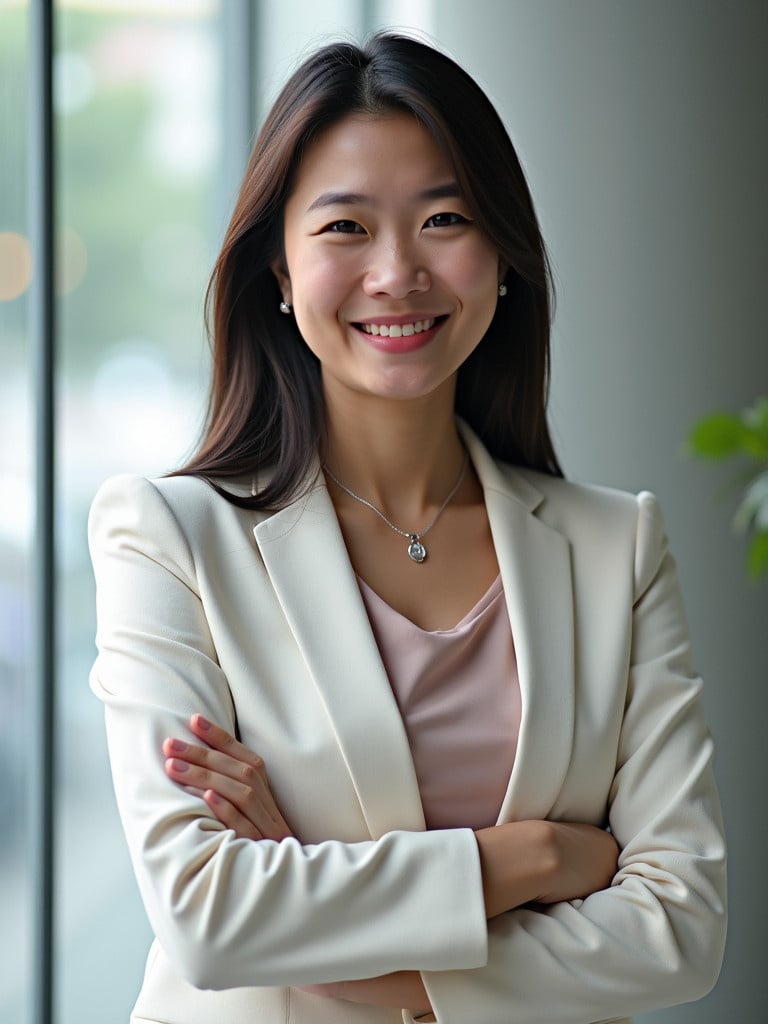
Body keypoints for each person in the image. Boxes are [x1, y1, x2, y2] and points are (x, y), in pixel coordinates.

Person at [88, 32, 726, 1024]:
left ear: (503, 256)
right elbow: (209, 917)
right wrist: (536, 859)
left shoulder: (616, 548)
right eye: (345, 226)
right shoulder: (171, 537)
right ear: (280, 267)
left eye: (443, 218)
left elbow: (684, 931)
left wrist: (350, 942)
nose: (397, 272)